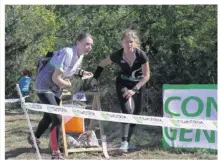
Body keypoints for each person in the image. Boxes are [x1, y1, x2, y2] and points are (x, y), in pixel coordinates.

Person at [27, 32, 94, 160]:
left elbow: (71, 70)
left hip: (56, 87)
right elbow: (55, 77)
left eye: (91, 45)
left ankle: (33, 138)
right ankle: (55, 152)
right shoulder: (67, 52)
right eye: (86, 44)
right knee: (57, 118)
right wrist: (68, 86)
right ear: (78, 43)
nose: (89, 47)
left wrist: (83, 72)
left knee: (48, 117)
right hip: (44, 85)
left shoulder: (80, 56)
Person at [91, 29, 150, 152]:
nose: (129, 44)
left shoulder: (141, 55)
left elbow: (146, 76)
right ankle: (123, 142)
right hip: (122, 83)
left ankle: (128, 142)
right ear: (121, 43)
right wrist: (95, 77)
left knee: (136, 114)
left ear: (135, 43)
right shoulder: (118, 55)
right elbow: (102, 63)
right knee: (127, 111)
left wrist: (134, 89)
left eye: (131, 42)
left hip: (137, 84)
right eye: (126, 42)